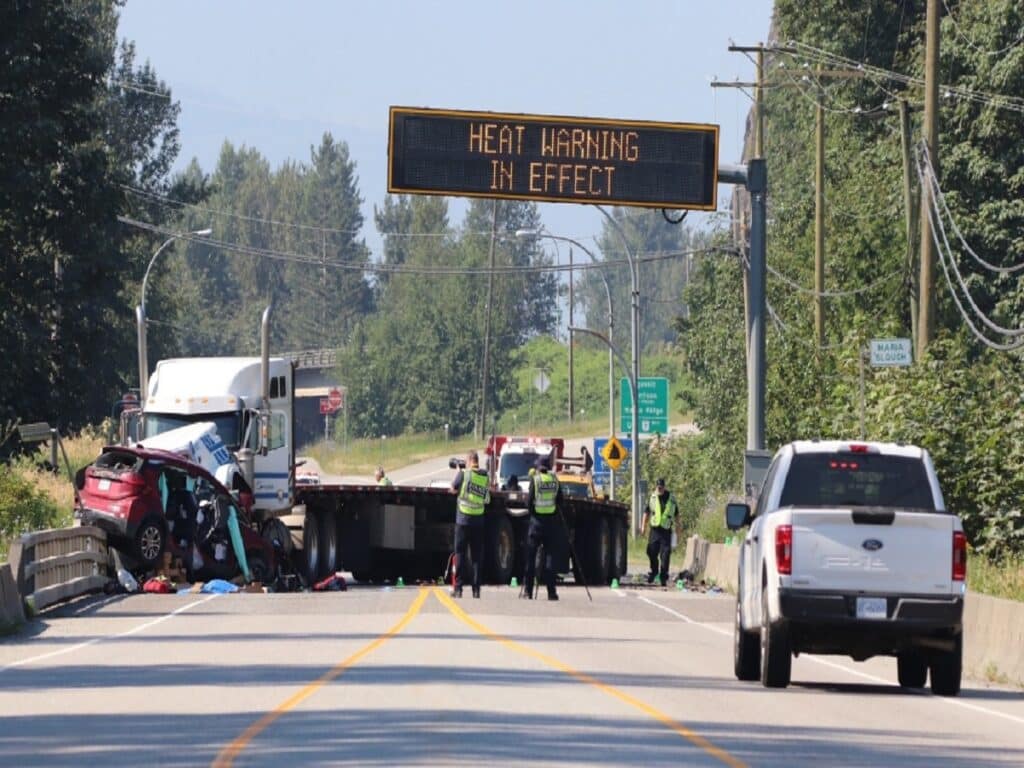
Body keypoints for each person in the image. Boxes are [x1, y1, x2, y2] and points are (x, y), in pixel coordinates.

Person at [449, 450, 489, 598]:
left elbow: (453, 489)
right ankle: (476, 589)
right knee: (477, 557)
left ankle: (458, 588)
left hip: (463, 520)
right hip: (478, 520)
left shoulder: (464, 474)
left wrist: (459, 472)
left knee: (460, 554)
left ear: (469, 460)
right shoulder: (485, 476)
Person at [522, 457, 563, 601]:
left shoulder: (536, 480)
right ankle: (551, 592)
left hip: (536, 523)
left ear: (539, 467)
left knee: (531, 558)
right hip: (551, 523)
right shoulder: (554, 480)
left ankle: (528, 591)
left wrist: (533, 514)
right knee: (550, 558)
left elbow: (529, 501)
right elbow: (560, 501)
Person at [642, 478, 678, 586]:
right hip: (655, 530)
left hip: (666, 531)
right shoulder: (653, 497)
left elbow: (677, 516)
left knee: (665, 555)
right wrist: (643, 526)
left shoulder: (671, 499)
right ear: (656, 487)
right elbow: (646, 512)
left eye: (661, 487)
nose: (659, 489)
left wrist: (678, 531)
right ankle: (654, 572)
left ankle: (663, 577)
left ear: (664, 487)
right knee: (651, 551)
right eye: (658, 487)